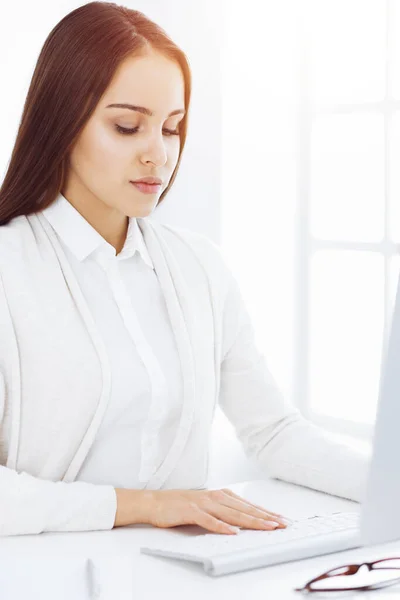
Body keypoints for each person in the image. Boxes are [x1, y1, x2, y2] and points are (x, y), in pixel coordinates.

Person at [0, 2, 371, 538]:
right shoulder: (11, 271)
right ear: (62, 122)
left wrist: (386, 484)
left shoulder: (198, 267)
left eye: (172, 129)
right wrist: (143, 505)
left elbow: (274, 433)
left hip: (177, 575)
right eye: (127, 127)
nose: (159, 154)